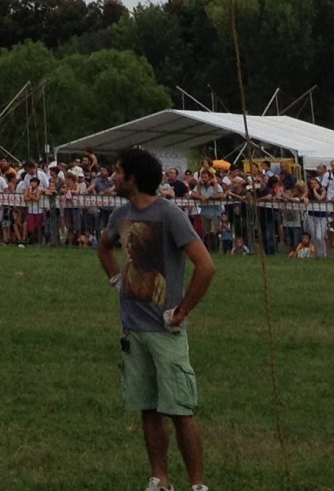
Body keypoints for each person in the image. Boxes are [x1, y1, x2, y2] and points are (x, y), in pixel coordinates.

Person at [97, 146, 216, 491]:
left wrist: (182, 310)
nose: (113, 177)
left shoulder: (170, 215)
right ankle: (160, 478)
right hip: (133, 329)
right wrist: (116, 280)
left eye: (118, 171)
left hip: (166, 330)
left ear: (133, 178)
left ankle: (196, 484)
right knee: (148, 408)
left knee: (180, 409)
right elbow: (104, 247)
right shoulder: (119, 215)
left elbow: (206, 266)